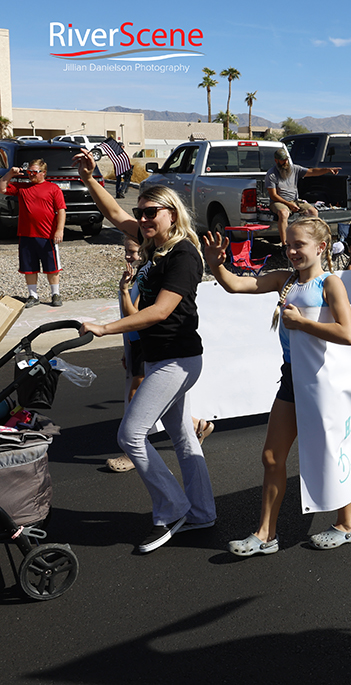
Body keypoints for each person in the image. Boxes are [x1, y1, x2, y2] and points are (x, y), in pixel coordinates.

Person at [73, 150, 216, 554]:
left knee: (130, 435)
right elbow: (117, 215)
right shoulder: (155, 244)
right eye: (143, 212)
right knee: (183, 436)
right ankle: (202, 513)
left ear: (172, 213)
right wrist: (89, 179)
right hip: (161, 358)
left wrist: (105, 327)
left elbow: (160, 311)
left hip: (178, 359)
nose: (144, 218)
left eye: (152, 212)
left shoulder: (185, 254)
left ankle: (173, 510)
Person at [201, 217, 351, 556]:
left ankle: (348, 524)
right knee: (272, 456)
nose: (290, 251)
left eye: (298, 245)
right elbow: (235, 285)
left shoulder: (330, 284)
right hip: (292, 378)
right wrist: (216, 264)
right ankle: (265, 533)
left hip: (324, 381)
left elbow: (347, 334)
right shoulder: (284, 281)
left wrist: (303, 324)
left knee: (332, 455)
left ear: (319, 247)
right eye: (287, 244)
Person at [106, 234, 215, 474]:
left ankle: (138, 459)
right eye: (126, 251)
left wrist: (104, 329)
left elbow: (154, 314)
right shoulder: (140, 277)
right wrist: (124, 290)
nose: (129, 256)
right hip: (141, 345)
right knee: (177, 424)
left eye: (133, 251)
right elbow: (132, 314)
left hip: (160, 350)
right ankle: (199, 426)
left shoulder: (168, 266)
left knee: (132, 425)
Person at [0, 159, 66, 307]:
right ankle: (33, 295)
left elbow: (61, 210)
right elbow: (2, 188)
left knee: (52, 267)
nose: (31, 175)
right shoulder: (22, 188)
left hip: (47, 235)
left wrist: (59, 230)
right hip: (26, 235)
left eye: (34, 172)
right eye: (29, 172)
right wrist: (10, 173)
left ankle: (55, 294)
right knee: (29, 268)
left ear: (43, 173)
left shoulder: (53, 189)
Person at [265, 148, 338, 243]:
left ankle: (311, 239)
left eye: (286, 159)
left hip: (295, 200)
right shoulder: (271, 174)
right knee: (283, 213)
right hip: (279, 201)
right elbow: (273, 195)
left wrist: (327, 170)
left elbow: (312, 172)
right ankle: (285, 244)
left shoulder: (295, 169)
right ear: (276, 161)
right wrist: (289, 205)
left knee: (313, 212)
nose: (285, 162)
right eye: (283, 160)